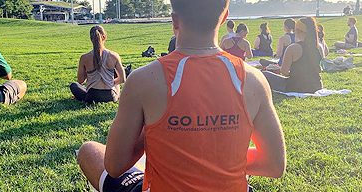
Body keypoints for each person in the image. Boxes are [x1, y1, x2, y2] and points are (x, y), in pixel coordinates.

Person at [77, 0, 286, 191]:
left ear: (175, 20)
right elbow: (274, 165)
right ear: (224, 17)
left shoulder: (144, 80)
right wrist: (216, 160)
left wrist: (154, 137)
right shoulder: (254, 79)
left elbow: (114, 165)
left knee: (89, 150)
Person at [263, 17, 324, 93]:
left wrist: (292, 73)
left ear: (297, 30)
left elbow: (284, 71)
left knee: (264, 74)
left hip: (296, 86)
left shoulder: (293, 48)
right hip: (317, 85)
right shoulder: (319, 47)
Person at [70, 25, 126, 104]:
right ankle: (117, 95)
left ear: (91, 39)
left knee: (74, 85)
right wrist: (110, 83)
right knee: (116, 79)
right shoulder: (114, 56)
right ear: (104, 37)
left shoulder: (84, 58)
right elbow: (123, 79)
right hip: (110, 96)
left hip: (92, 96)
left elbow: (80, 81)